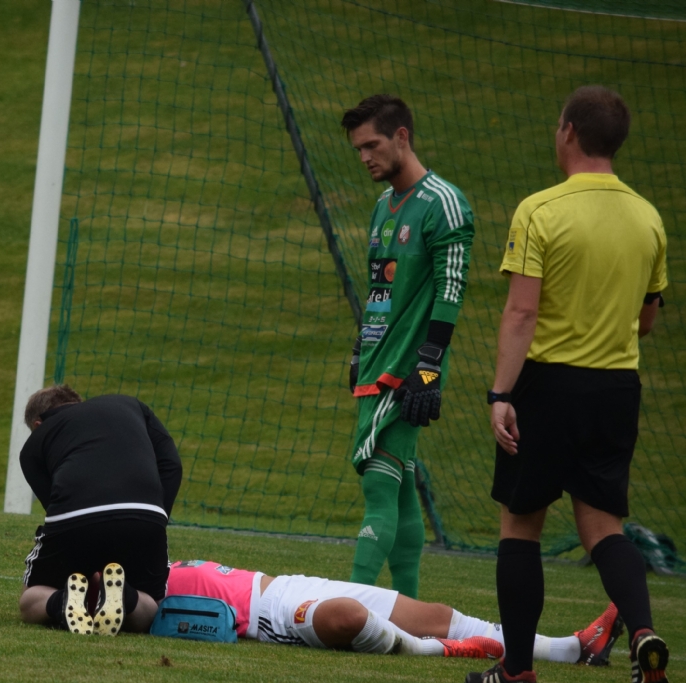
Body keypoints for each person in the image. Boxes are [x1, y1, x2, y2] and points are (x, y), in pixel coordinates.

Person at [472, 86, 669, 683]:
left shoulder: (540, 210)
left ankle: (517, 672)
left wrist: (501, 395)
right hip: (616, 388)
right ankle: (642, 631)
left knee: (520, 524)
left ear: (569, 132)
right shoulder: (648, 217)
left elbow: (522, 312)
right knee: (603, 527)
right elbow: (647, 318)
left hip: (547, 386)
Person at [340, 95, 474, 598]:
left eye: (371, 145)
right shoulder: (382, 207)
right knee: (398, 489)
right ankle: (409, 607)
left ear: (402, 137)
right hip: (378, 361)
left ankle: (350, 602)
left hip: (408, 367)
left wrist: (430, 365)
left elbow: (451, 289)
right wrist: (360, 349)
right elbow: (380, 287)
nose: (364, 157)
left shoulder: (443, 202)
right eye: (357, 149)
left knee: (378, 485)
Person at [165, 559, 622, 665]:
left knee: (438, 612)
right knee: (349, 617)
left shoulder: (147, 550)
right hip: (269, 615)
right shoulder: (137, 591)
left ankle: (572, 649)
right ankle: (428, 650)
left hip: (286, 583)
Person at [18, 385, 182, 636]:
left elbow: (54, 506)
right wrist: (155, 520)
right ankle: (126, 598)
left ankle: (61, 602)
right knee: (152, 602)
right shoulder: (131, 405)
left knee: (31, 597)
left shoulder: (34, 444)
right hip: (146, 514)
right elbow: (172, 465)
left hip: (76, 517)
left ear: (38, 425)